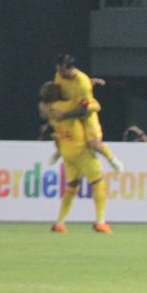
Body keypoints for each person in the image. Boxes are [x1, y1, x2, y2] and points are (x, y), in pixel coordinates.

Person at [38, 81, 112, 234]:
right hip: (81, 149)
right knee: (98, 182)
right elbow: (90, 104)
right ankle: (100, 222)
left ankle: (59, 222)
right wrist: (88, 86)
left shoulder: (48, 109)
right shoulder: (67, 106)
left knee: (71, 187)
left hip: (66, 151)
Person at [52, 53, 123, 173]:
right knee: (58, 129)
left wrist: (64, 115)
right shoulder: (59, 76)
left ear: (70, 68)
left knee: (94, 144)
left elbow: (83, 110)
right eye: (58, 70)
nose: (60, 74)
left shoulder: (82, 82)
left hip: (86, 113)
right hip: (70, 109)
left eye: (62, 70)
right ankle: (60, 150)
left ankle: (113, 160)